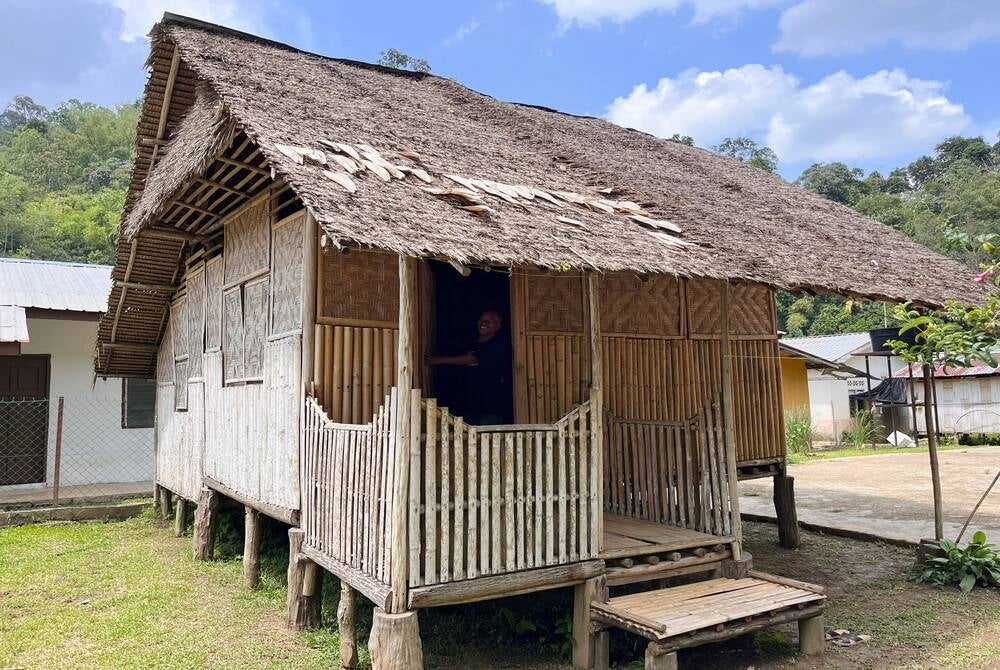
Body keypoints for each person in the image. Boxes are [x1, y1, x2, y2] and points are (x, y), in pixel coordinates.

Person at [426, 309, 509, 425]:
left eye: (489, 321)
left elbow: (472, 359)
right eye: (482, 320)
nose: (483, 323)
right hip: (471, 406)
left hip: (488, 407)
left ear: (497, 326)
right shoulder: (474, 343)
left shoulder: (497, 345)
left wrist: (438, 360)